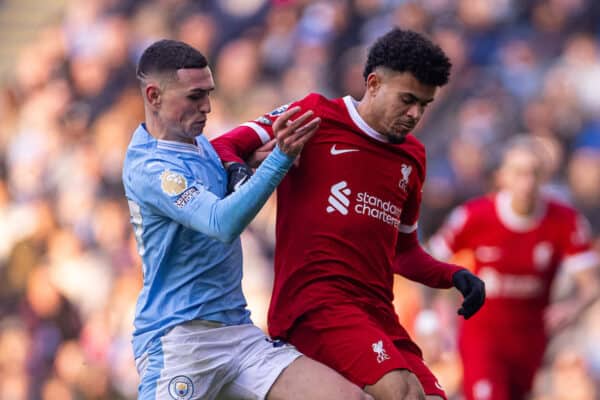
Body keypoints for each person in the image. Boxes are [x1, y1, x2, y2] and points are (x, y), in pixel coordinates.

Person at [211, 29, 485, 400]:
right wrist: (241, 174)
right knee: (401, 393)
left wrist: (454, 275)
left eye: (424, 104)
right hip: (315, 303)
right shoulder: (315, 115)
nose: (415, 114)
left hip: (376, 313)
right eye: (407, 100)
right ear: (373, 83)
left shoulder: (413, 157)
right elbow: (225, 145)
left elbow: (403, 253)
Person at [122, 39, 372, 400]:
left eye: (208, 93)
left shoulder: (198, 143)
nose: (206, 106)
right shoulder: (151, 167)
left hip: (238, 333)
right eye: (195, 97)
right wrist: (279, 159)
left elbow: (218, 181)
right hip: (180, 342)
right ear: (154, 96)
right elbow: (221, 223)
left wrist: (251, 162)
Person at [428, 136, 600, 400]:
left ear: (544, 178)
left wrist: (572, 307)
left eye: (534, 173)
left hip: (530, 340)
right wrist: (435, 316)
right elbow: (428, 263)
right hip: (482, 336)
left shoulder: (565, 221)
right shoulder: (474, 216)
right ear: (502, 177)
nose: (527, 182)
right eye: (519, 173)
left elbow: (591, 285)